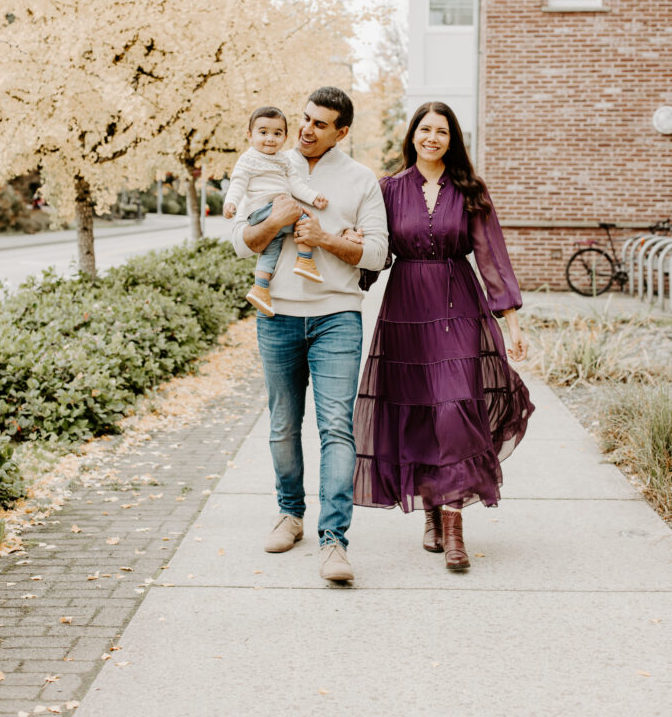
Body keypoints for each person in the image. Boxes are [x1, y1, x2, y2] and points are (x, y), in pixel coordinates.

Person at [351, 101, 534, 571]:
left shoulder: (470, 190)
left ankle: (453, 530)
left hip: (458, 308)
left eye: (442, 132)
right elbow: (375, 255)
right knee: (418, 416)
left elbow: (492, 258)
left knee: (454, 411)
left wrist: (512, 326)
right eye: (425, 129)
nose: (432, 137)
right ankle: (430, 508)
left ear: (452, 141)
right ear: (413, 134)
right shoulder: (388, 188)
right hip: (406, 312)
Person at [230, 87, 388, 583]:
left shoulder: (362, 180)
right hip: (275, 314)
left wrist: (326, 239)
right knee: (282, 423)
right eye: (304, 118)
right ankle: (290, 513)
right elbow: (238, 240)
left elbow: (378, 254)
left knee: (337, 427)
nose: (305, 129)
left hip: (337, 315)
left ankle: (334, 540)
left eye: (321, 124)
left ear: (342, 131)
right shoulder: (268, 161)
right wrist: (274, 220)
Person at [223, 106, 329, 317]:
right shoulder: (248, 159)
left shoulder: (283, 160)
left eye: (277, 134)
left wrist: (313, 196)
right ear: (250, 135)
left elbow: (296, 185)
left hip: (272, 211)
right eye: (263, 133)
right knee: (306, 219)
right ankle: (305, 259)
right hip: (263, 210)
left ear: (286, 137)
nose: (270, 139)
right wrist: (231, 202)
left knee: (272, 249)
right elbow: (238, 183)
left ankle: (260, 288)